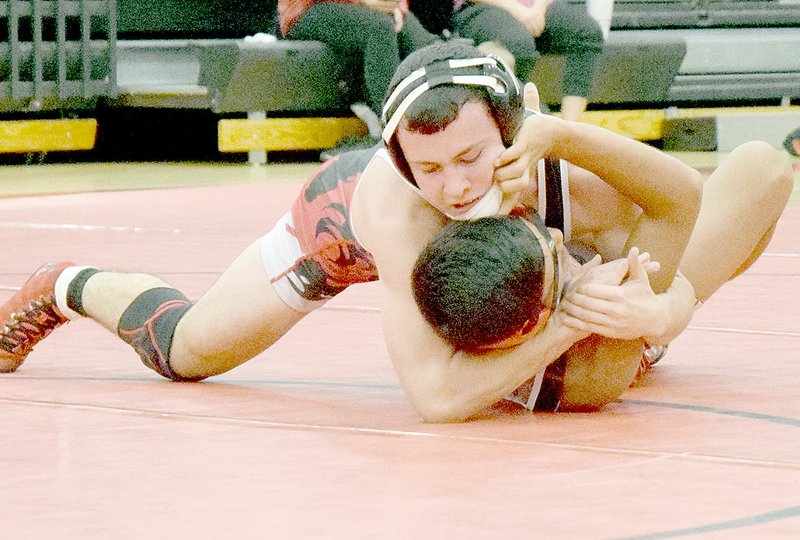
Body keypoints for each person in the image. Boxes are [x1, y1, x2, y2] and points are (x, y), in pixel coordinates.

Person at [1, 41, 741, 423]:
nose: (454, 186)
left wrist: (653, 304)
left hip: (536, 169)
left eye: (471, 159)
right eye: (428, 166)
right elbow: (436, 397)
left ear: (516, 132)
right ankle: (66, 284)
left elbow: (680, 201)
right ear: (399, 159)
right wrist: (578, 322)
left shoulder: (543, 157)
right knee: (188, 351)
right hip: (338, 234)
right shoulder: (397, 213)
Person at [412, 126, 794, 408]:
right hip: (618, 337)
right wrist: (557, 135)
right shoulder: (594, 355)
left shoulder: (457, 239)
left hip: (560, 319)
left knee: (606, 235)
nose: (561, 242)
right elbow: (679, 197)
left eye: (548, 239)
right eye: (561, 270)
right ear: (543, 319)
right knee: (764, 168)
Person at [278, 0, 439, 150]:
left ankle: (439, 124)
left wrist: (397, 6)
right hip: (306, 9)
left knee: (423, 43)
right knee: (379, 28)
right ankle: (394, 131)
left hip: (368, 6)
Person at [410, 0, 605, 121]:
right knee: (518, 44)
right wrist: (517, 9)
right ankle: (507, 122)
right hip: (480, 7)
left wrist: (537, 7)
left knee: (587, 31)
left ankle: (569, 127)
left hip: (533, 5)